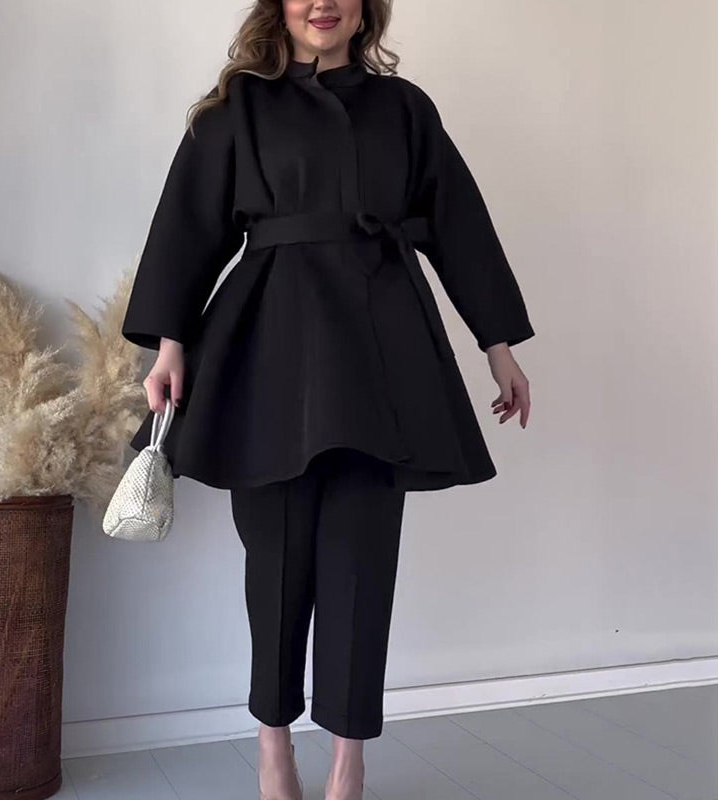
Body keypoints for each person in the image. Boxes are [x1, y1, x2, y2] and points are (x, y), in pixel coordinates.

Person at [120, 1, 535, 798]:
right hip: (264, 349)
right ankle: (273, 746)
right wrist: (169, 347)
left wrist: (498, 344)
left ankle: (349, 761)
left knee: (362, 562)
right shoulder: (236, 107)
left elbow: (458, 224)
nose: (323, 2)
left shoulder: (405, 109)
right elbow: (187, 227)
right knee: (274, 562)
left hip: (383, 352)